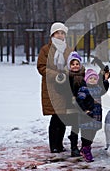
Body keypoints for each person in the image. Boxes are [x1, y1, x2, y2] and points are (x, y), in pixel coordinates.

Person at [67, 52, 110, 162]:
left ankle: (86, 146)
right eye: (90, 79)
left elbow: (104, 88)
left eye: (94, 79)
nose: (92, 80)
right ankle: (85, 149)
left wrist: (105, 79)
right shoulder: (83, 88)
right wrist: (84, 110)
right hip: (85, 114)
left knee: (93, 131)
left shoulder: (96, 88)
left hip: (96, 115)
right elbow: (79, 100)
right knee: (84, 132)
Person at [37, 22, 72, 153]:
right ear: (52, 34)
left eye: (62, 33)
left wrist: (68, 73)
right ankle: (54, 146)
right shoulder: (45, 50)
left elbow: (75, 64)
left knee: (62, 116)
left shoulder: (68, 49)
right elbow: (41, 67)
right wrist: (56, 75)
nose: (60, 35)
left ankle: (60, 144)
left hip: (65, 88)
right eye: (57, 32)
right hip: (52, 87)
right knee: (55, 116)